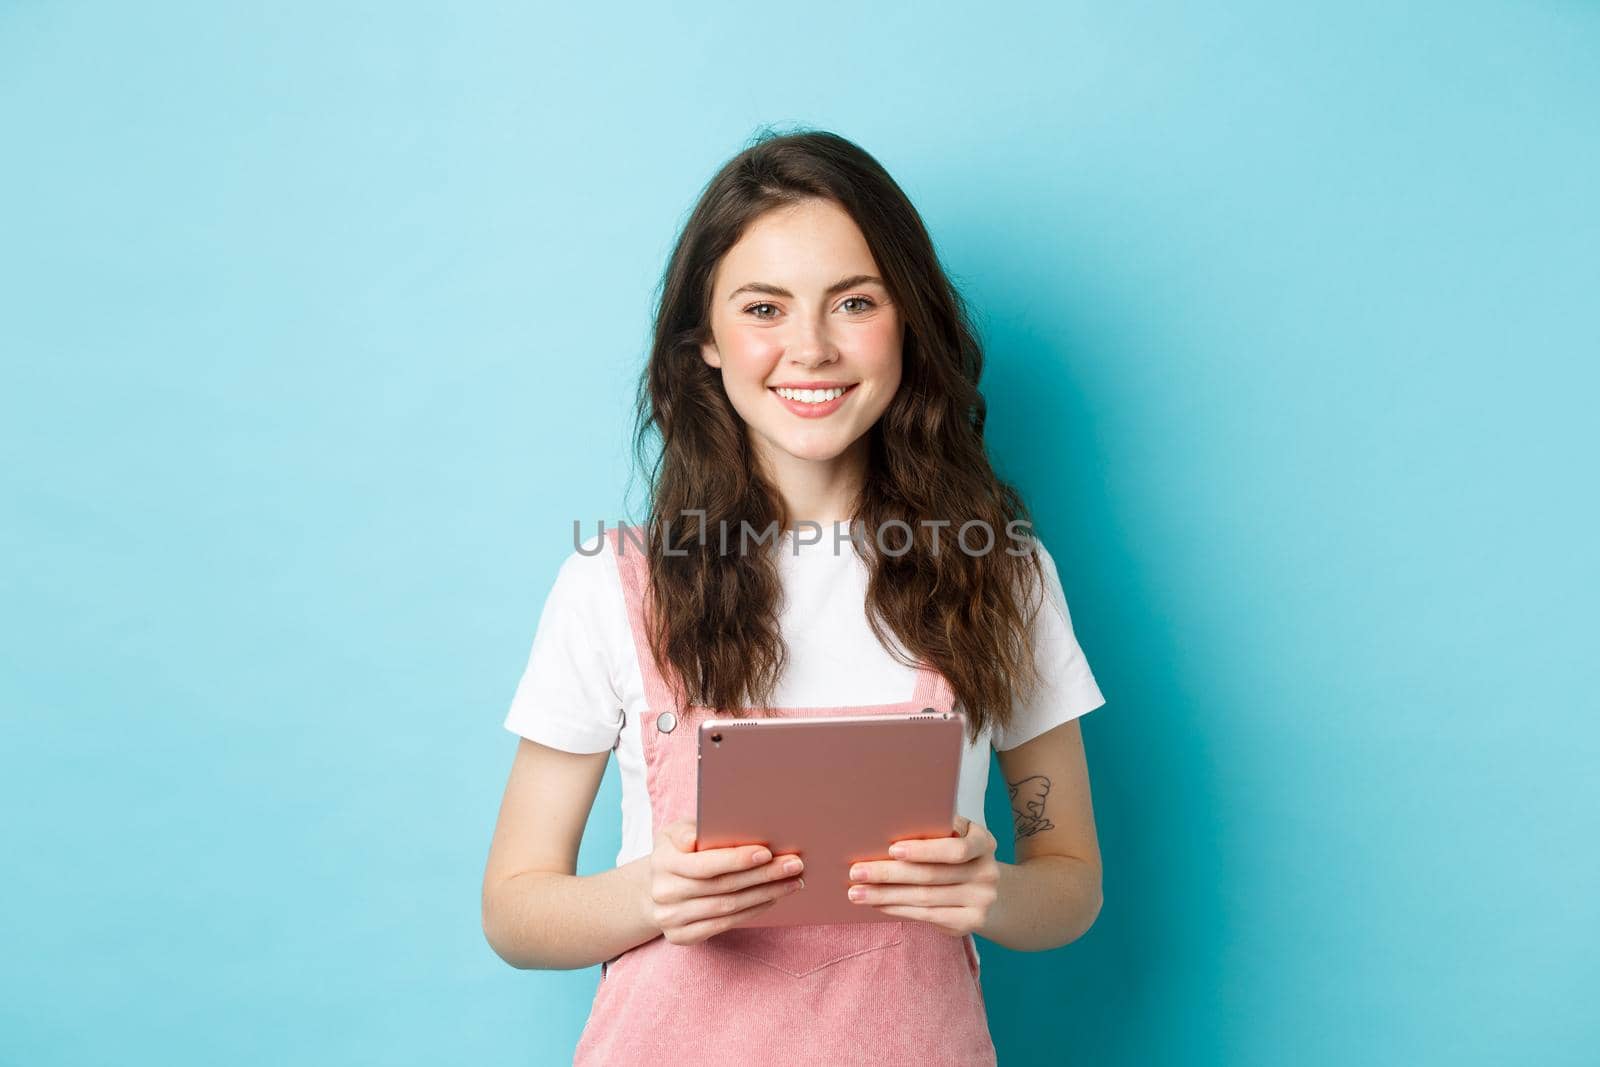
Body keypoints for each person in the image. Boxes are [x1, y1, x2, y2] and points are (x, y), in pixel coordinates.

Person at [481, 128, 1108, 1066]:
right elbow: (514, 907)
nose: (809, 349)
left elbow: (1071, 881)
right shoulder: (612, 588)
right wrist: (653, 895)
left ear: (910, 322)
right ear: (706, 345)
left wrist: (994, 891)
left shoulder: (1003, 575)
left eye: (854, 301)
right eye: (764, 307)